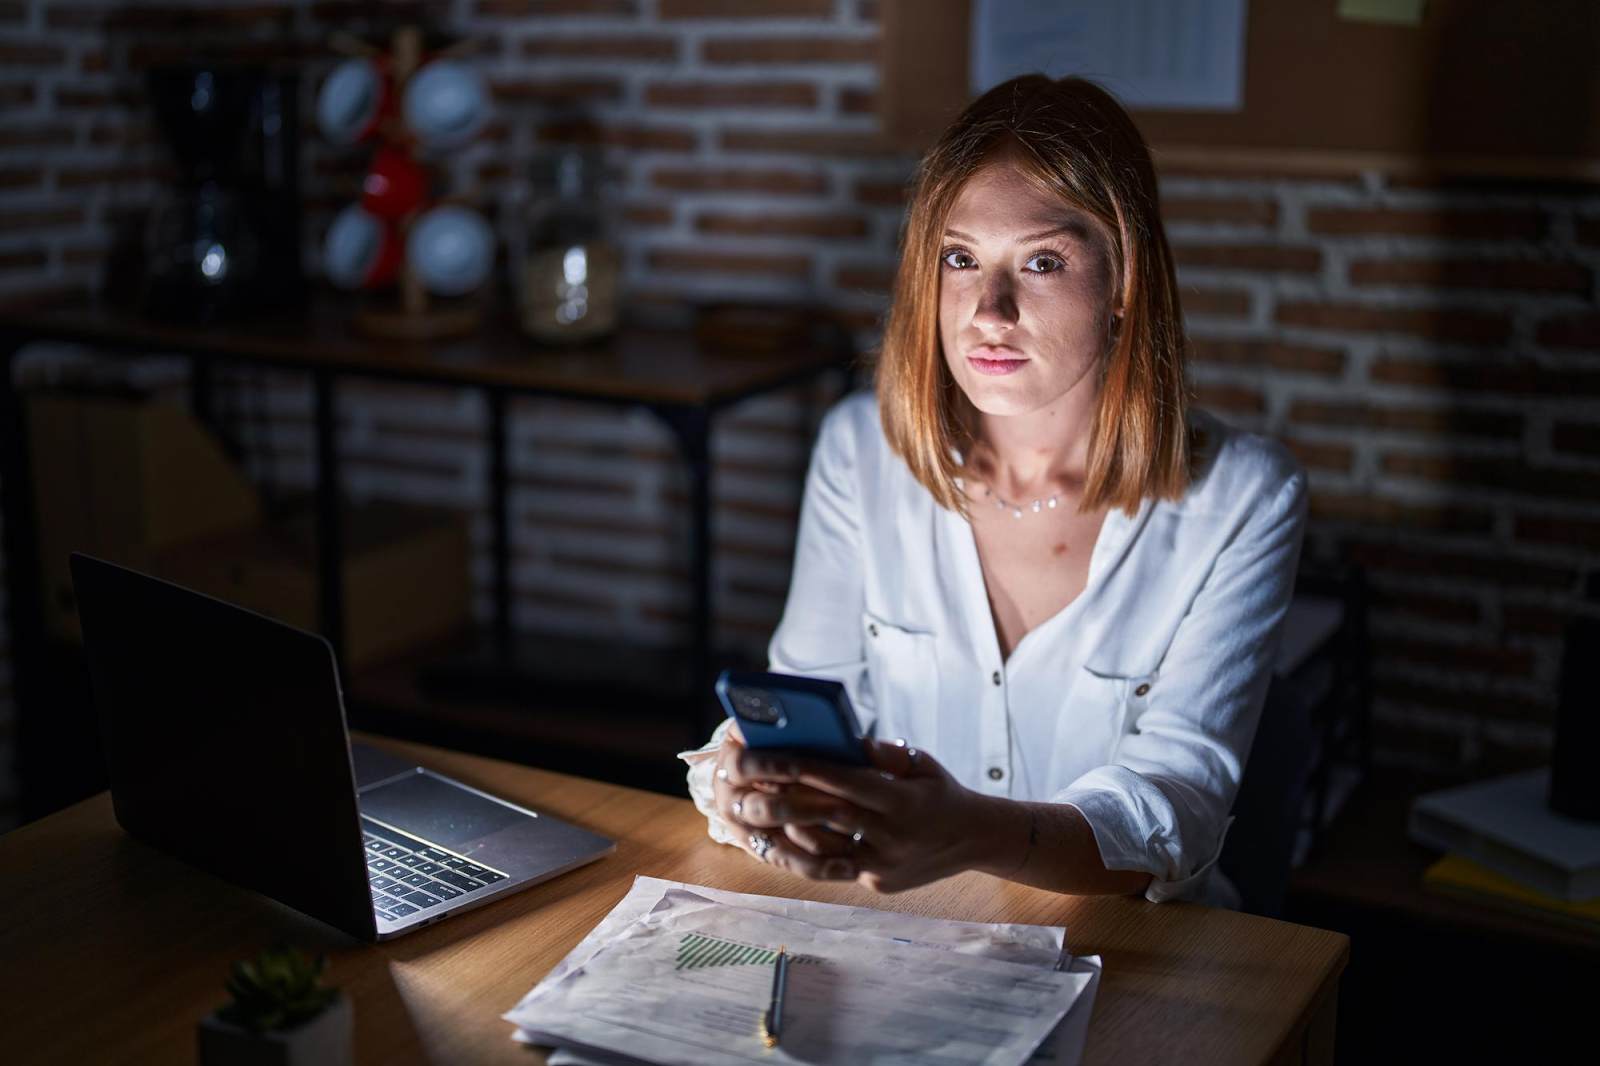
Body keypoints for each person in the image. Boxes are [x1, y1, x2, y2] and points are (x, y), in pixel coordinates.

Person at [680, 74, 1308, 909]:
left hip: (1140, 957)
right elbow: (808, 703)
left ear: (1123, 282)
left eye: (1042, 262)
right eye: (960, 258)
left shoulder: (1244, 498)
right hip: (897, 933)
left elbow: (1173, 810)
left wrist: (968, 832)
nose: (989, 309)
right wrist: (750, 788)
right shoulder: (859, 450)